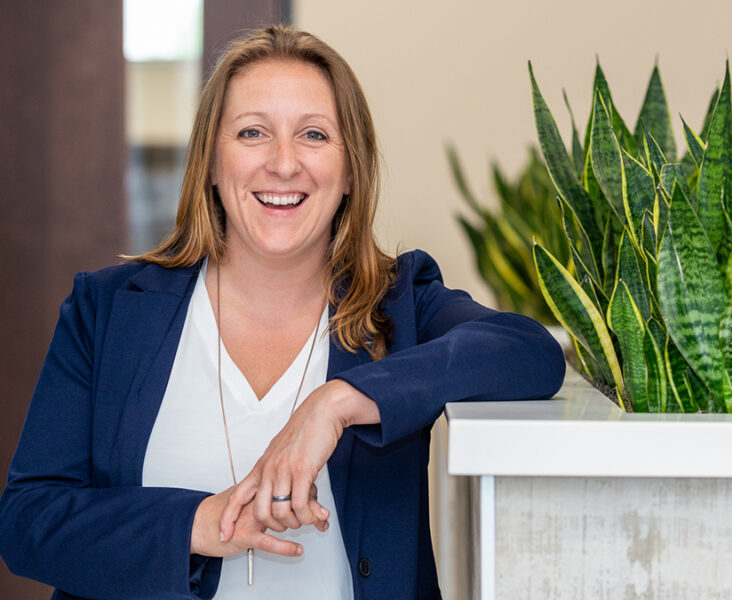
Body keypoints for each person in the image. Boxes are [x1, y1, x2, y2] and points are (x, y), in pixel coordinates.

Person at [0, 25, 565, 600]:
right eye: (253, 132)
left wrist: (338, 402)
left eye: (314, 135)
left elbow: (530, 352)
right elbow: (27, 520)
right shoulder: (106, 310)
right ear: (211, 163)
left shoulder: (400, 305)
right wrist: (196, 525)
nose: (284, 163)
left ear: (350, 172)